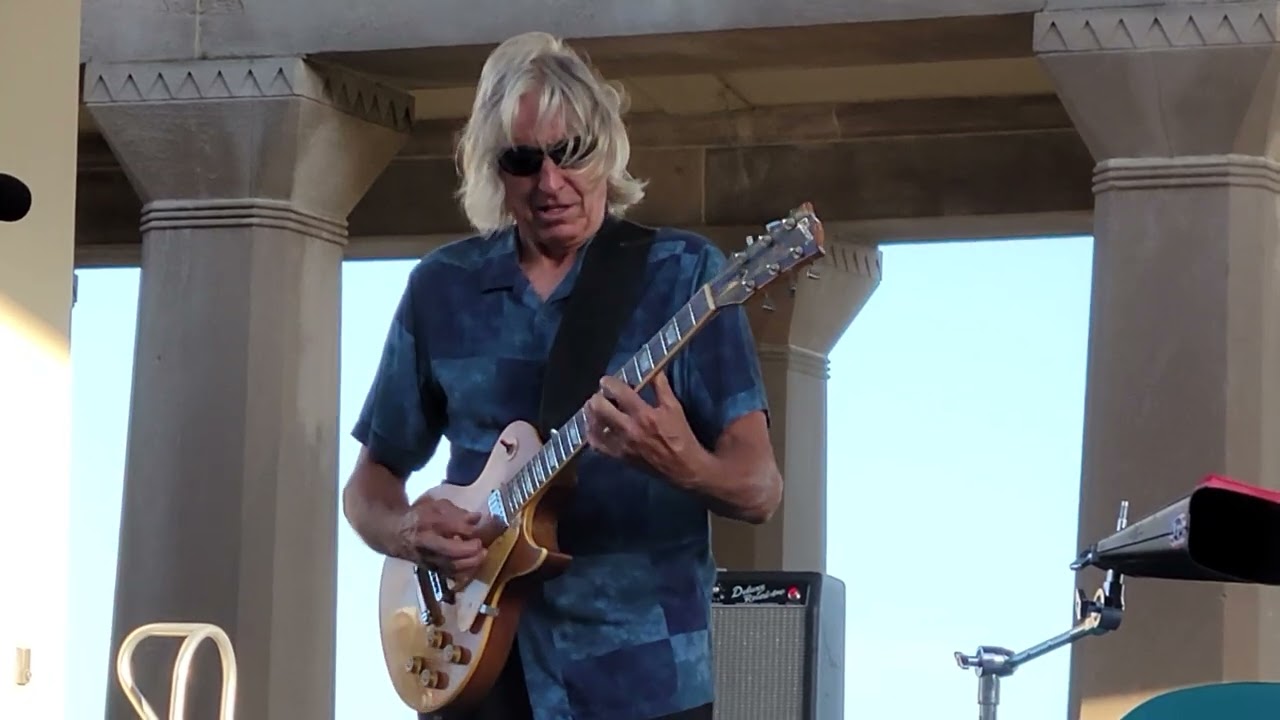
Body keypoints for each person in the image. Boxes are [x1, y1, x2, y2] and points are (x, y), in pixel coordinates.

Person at [341, 30, 783, 720]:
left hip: (645, 680)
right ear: (495, 168)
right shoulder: (441, 288)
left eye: (571, 153)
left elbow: (758, 488)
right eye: (523, 160)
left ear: (606, 148)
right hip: (478, 672)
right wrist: (403, 534)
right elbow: (368, 486)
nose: (550, 182)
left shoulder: (684, 277)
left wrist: (678, 461)